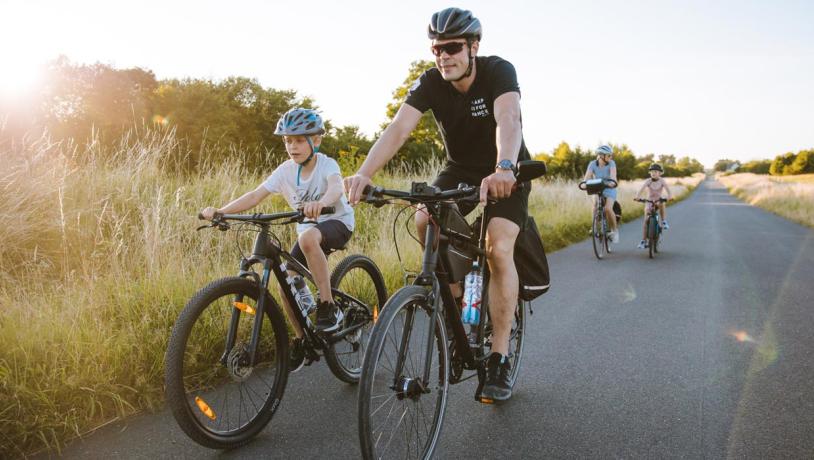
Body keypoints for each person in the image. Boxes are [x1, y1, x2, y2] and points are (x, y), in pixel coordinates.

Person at [345, 7, 530, 401]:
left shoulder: (498, 71)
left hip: (505, 171)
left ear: (473, 47)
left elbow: (509, 119)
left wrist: (504, 168)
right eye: (436, 49)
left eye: (451, 48)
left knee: (498, 246)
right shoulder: (430, 82)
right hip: (460, 169)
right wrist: (364, 174)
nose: (443, 56)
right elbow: (398, 128)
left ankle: (498, 357)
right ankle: (459, 295)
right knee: (424, 218)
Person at [200, 108, 355, 371]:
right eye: (287, 141)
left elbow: (336, 187)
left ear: (315, 141)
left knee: (307, 239)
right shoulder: (285, 171)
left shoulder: (326, 164)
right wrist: (221, 211)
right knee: (286, 282)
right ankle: (301, 339)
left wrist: (322, 203)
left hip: (337, 222)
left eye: (298, 140)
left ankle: (327, 305)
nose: (292, 146)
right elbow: (255, 194)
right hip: (309, 231)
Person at [584, 144, 620, 243]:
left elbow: (613, 176)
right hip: (597, 187)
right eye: (609, 155)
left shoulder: (611, 163)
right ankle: (595, 226)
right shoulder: (592, 164)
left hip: (609, 187)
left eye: (611, 155)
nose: (611, 157)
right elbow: (587, 177)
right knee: (595, 205)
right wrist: (584, 184)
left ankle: (614, 230)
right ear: (601, 156)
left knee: (608, 209)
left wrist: (613, 182)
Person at [635, 163, 672, 249]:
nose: (653, 173)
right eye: (651, 171)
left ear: (660, 173)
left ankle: (663, 221)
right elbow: (641, 190)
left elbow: (668, 190)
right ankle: (643, 241)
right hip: (649, 201)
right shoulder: (648, 181)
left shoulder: (662, 181)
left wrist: (670, 196)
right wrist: (637, 197)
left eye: (655, 171)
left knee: (662, 203)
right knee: (645, 221)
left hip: (658, 200)